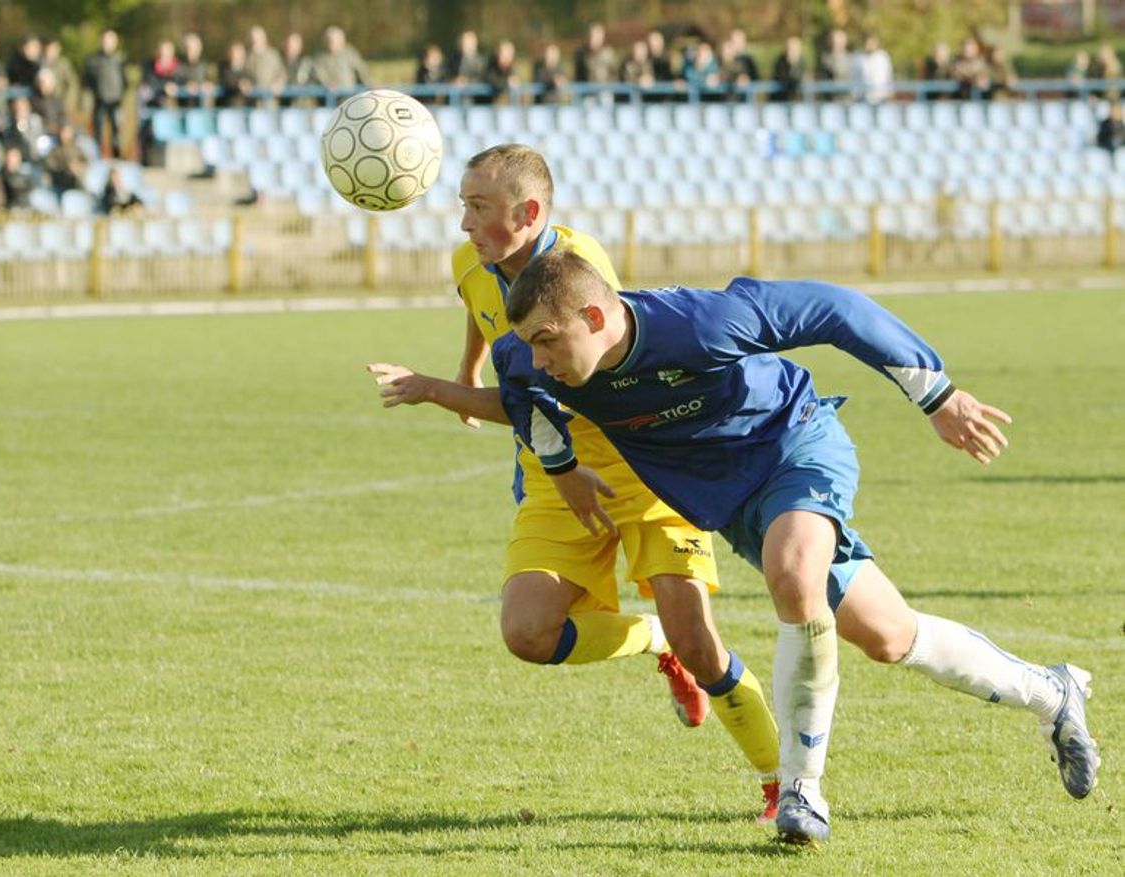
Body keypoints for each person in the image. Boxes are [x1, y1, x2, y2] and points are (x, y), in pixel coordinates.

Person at [494, 248, 1101, 845]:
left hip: (794, 444)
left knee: (793, 576)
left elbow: (833, 308)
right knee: (887, 636)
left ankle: (801, 790)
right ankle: (1051, 692)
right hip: (731, 501)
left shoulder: (701, 325)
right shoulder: (526, 359)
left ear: (596, 318)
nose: (539, 357)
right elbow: (522, 394)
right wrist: (563, 466)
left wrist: (937, 396)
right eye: (531, 343)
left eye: (548, 340)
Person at [366, 144, 782, 822]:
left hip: (639, 460)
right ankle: (650, 638)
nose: (464, 223)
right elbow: (482, 311)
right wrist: (468, 369)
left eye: (479, 208)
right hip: (552, 468)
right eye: (462, 205)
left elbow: (557, 388)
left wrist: (438, 391)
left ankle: (779, 780)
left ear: (527, 214)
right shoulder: (468, 262)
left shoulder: (579, 267)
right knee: (527, 632)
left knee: (702, 645)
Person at [82, 29, 127, 158]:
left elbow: (125, 81)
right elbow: (86, 81)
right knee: (98, 130)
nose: (107, 43)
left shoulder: (121, 60)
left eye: (110, 41)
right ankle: (97, 156)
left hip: (116, 101)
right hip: (99, 100)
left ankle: (117, 156)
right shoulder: (93, 60)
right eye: (105, 40)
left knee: (116, 129)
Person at [44, 122, 88, 194]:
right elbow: (49, 165)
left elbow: (85, 163)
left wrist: (79, 167)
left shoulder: (77, 149)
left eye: (69, 132)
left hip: (75, 183)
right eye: (64, 132)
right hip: (60, 182)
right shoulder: (56, 150)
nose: (66, 135)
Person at [771, 36, 806, 102]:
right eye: (790, 47)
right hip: (780, 99)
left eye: (795, 47)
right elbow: (781, 77)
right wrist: (790, 63)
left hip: (797, 99)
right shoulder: (780, 61)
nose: (792, 49)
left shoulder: (802, 60)